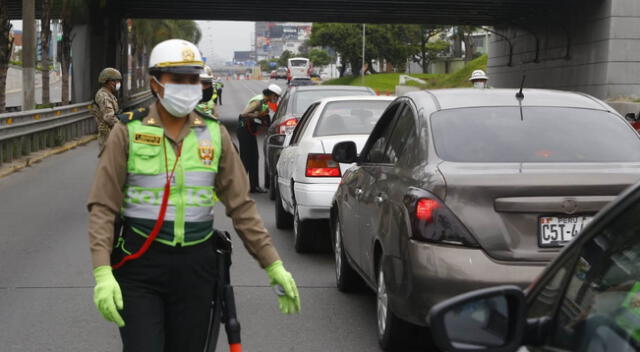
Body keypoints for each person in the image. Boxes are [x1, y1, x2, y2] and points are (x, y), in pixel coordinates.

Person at [87, 39, 300, 352]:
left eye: (192, 79)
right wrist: (102, 271)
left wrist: (273, 265)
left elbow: (241, 206)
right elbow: (103, 206)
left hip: (197, 269)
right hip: (139, 265)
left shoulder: (215, 134)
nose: (187, 87)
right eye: (178, 80)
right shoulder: (127, 131)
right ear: (155, 84)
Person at [238, 84, 282, 193]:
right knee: (245, 159)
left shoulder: (265, 103)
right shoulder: (258, 101)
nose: (276, 99)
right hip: (244, 130)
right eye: (275, 96)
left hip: (250, 131)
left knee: (254, 158)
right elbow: (243, 114)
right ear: (270, 94)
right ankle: (239, 187)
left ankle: (254, 186)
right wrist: (258, 114)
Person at [92, 67, 122, 151]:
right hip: (107, 136)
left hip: (111, 135)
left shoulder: (108, 94)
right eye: (115, 81)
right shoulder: (103, 96)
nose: (117, 83)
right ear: (108, 82)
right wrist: (123, 126)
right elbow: (109, 117)